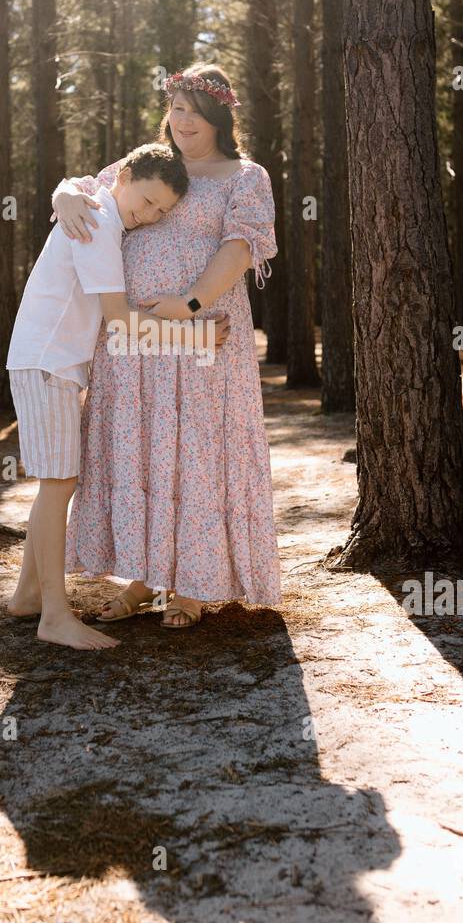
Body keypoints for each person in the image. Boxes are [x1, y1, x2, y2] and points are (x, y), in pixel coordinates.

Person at [52, 63, 282, 631]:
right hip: (132, 340)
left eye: (195, 114)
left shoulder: (244, 175)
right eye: (176, 109)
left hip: (204, 338)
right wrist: (62, 195)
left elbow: (241, 247)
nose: (182, 123)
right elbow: (89, 191)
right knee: (142, 450)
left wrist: (192, 302)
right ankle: (140, 577)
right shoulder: (153, 164)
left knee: (195, 454)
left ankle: (191, 585)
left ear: (220, 118)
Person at [6, 143, 230, 650]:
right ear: (124, 175)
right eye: (147, 200)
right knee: (58, 485)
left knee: (55, 483)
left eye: (161, 212)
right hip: (48, 364)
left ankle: (28, 596)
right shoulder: (101, 225)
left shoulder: (98, 210)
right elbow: (119, 319)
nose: (149, 216)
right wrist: (194, 336)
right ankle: (56, 616)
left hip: (48, 363)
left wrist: (67, 189)